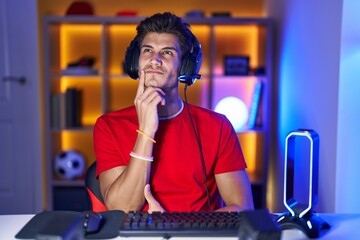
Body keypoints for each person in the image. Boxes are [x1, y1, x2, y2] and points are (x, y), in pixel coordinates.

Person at [93, 12, 254, 213]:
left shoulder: (217, 126)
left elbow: (242, 208)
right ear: (136, 61)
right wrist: (146, 131)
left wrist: (172, 224)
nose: (155, 60)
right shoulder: (108, 125)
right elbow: (121, 209)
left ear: (185, 67)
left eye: (168, 52)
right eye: (148, 50)